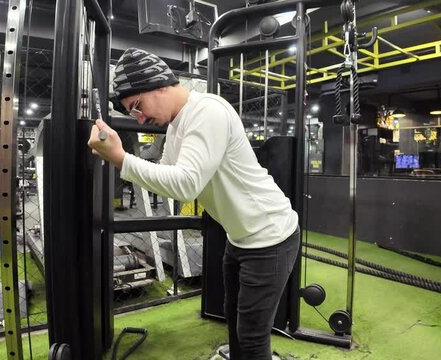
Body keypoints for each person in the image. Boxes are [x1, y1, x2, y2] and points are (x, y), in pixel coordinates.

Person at [88, 48, 299, 360]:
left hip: (270, 237)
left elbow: (185, 186)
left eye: (137, 106)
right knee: (235, 319)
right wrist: (122, 156)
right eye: (134, 114)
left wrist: (120, 159)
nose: (141, 118)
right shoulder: (176, 126)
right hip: (239, 237)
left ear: (158, 85)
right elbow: (167, 177)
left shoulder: (207, 111)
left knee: (252, 337)